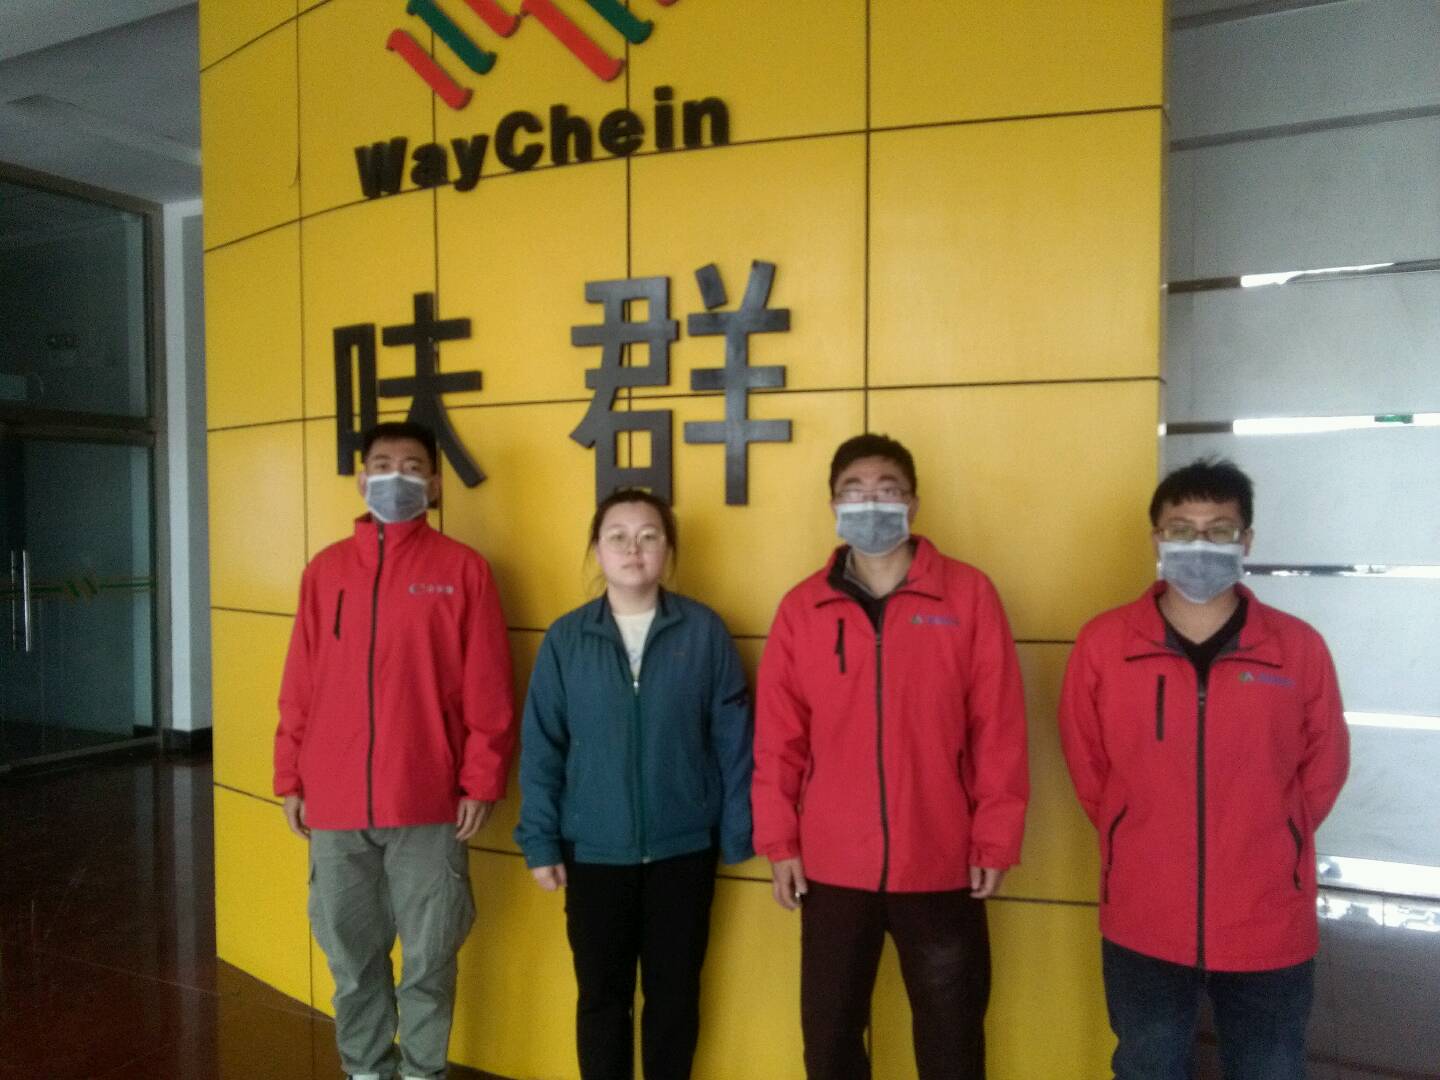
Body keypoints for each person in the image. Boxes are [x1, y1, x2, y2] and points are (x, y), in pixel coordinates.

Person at [1059, 457, 1350, 1080]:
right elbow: (1088, 765)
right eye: (1181, 528)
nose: (1199, 544)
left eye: (1219, 530)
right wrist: (1131, 831)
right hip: (1144, 915)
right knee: (1148, 1067)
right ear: (1156, 539)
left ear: (1246, 540)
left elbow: (1324, 766)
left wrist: (1276, 835)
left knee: (1270, 1067)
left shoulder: (1297, 648)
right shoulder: (1105, 645)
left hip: (1268, 914)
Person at [752, 433, 1029, 1080]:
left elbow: (998, 727)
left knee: (953, 1042)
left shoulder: (967, 595)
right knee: (830, 1042)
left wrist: (995, 838)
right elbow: (778, 739)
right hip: (831, 866)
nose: (870, 504)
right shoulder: (802, 608)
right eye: (854, 492)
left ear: (913, 503)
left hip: (941, 858)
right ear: (833, 506)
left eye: (887, 491)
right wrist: (779, 841)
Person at [274, 420, 515, 1080]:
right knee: (351, 960)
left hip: (428, 799)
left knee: (431, 960)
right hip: (334, 802)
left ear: (434, 485)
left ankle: (421, 1071)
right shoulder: (325, 571)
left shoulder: (462, 570)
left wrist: (481, 780)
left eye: (412, 467)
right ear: (361, 479)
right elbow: (299, 683)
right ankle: (364, 1068)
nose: (395, 477)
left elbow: (488, 687)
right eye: (382, 465)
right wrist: (289, 776)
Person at [514, 488, 753, 1080]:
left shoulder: (703, 631)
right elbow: (542, 746)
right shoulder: (567, 638)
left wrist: (736, 831)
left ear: (668, 549)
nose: (633, 549)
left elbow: (734, 739)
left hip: (684, 850)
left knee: (675, 997)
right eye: (617, 536)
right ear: (596, 549)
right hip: (594, 851)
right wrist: (539, 841)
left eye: (649, 536)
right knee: (602, 998)